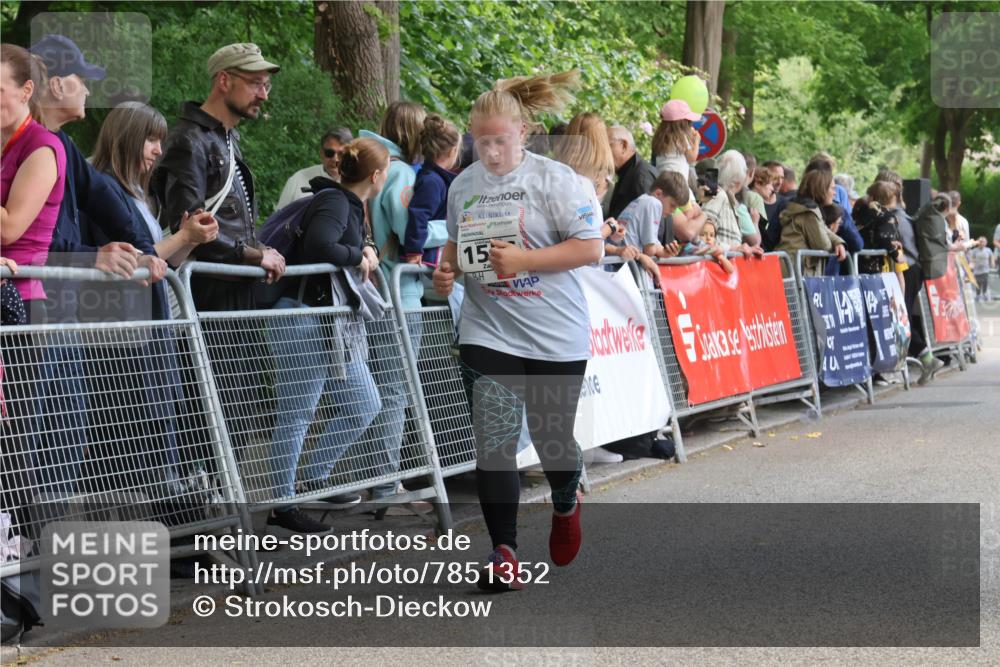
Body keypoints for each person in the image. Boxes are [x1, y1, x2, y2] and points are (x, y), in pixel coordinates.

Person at [432, 69, 603, 589]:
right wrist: (446, 271)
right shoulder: (463, 185)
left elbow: (590, 248)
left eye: (500, 141)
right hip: (489, 328)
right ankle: (503, 552)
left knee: (553, 440)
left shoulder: (556, 180)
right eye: (480, 141)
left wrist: (525, 259)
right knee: (495, 441)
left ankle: (565, 498)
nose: (490, 152)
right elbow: (456, 246)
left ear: (523, 132)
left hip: (554, 333)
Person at [87, 101, 221, 503]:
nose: (157, 151)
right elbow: (134, 261)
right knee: (137, 436)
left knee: (160, 426)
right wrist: (183, 239)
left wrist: (185, 239)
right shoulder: (103, 188)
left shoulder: (139, 195)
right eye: (150, 139)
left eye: (160, 141)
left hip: (151, 327)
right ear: (126, 138)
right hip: (126, 338)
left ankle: (172, 529)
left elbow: (158, 261)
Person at [265, 138, 390, 535]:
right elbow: (322, 245)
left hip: (328, 323)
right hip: (303, 318)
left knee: (365, 401)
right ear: (375, 175)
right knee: (297, 413)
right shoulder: (336, 202)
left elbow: (347, 239)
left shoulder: (347, 204)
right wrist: (359, 256)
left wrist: (364, 247)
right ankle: (281, 504)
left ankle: (316, 478)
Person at [152, 42, 285, 311]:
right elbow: (188, 227)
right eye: (256, 83)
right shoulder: (188, 140)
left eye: (266, 85)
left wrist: (260, 250)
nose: (263, 95)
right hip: (205, 291)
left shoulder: (226, 138)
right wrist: (256, 256)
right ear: (224, 80)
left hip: (232, 285)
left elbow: (230, 220)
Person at [0, 43, 67, 522]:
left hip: (20, 307)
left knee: (10, 445)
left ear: (26, 91)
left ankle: (20, 564)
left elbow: (9, 228)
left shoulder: (43, 145)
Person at [912, 193, 963, 384]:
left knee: (918, 317)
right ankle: (932, 354)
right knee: (915, 317)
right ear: (947, 208)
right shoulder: (933, 220)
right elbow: (943, 245)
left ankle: (932, 355)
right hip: (924, 270)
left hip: (921, 270)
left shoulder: (926, 215)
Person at [402, 114, 460, 266]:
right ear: (452, 151)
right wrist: (414, 250)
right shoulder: (432, 182)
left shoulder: (435, 179)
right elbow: (418, 215)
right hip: (427, 260)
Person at [776, 167, 846, 277]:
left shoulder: (806, 208)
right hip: (794, 272)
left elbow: (823, 229)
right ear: (821, 189)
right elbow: (823, 244)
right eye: (832, 189)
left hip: (792, 270)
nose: (835, 193)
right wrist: (834, 243)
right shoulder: (809, 212)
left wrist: (838, 242)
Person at [276, 127, 353, 209]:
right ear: (321, 153)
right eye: (329, 153)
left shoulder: (357, 184)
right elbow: (278, 217)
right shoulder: (298, 179)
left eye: (341, 154)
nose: (335, 159)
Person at [703, 150, 761, 252]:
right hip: (715, 264)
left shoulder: (727, 199)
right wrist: (734, 248)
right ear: (739, 181)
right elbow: (703, 238)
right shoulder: (718, 196)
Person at [606, 125, 657, 219]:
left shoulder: (641, 176)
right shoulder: (630, 171)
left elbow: (650, 221)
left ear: (624, 146)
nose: (602, 153)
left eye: (606, 147)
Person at [651, 100, 700, 181]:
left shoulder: (659, 137)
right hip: (678, 181)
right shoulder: (681, 137)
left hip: (661, 180)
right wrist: (696, 141)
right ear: (682, 122)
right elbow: (692, 158)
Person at [969, 237, 992, 302]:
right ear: (978, 242)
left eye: (984, 242)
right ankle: (978, 295)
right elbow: (972, 259)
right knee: (978, 283)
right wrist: (971, 266)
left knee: (985, 281)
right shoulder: (974, 250)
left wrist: (991, 264)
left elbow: (991, 257)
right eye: (981, 242)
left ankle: (984, 293)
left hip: (985, 269)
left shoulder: (988, 250)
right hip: (977, 270)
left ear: (986, 243)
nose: (982, 243)